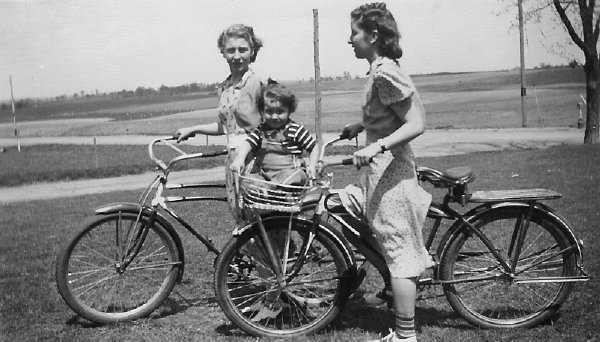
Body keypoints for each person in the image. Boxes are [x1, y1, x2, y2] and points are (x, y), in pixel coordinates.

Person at [341, 3, 433, 342]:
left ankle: (406, 335)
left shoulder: (384, 72)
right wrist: (360, 126)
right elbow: (388, 116)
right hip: (380, 174)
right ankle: (390, 283)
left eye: (354, 33)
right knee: (343, 209)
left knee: (400, 251)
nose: (349, 40)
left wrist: (376, 146)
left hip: (392, 175)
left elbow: (417, 123)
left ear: (374, 35)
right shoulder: (379, 69)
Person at [175, 24, 265, 224]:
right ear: (223, 52)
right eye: (231, 50)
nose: (237, 55)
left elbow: (267, 126)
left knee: (261, 222)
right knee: (241, 218)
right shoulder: (225, 87)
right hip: (233, 161)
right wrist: (194, 129)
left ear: (252, 52)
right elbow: (226, 126)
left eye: (243, 49)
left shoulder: (257, 83)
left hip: (255, 160)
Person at [229, 80, 319, 187]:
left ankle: (274, 188)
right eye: (269, 112)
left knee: (295, 175)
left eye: (280, 112)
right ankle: (266, 190)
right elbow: (248, 143)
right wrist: (240, 159)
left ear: (289, 111)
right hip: (266, 176)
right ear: (262, 111)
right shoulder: (261, 130)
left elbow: (314, 147)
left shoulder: (296, 130)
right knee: (247, 180)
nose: (274, 117)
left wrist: (312, 166)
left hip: (290, 174)